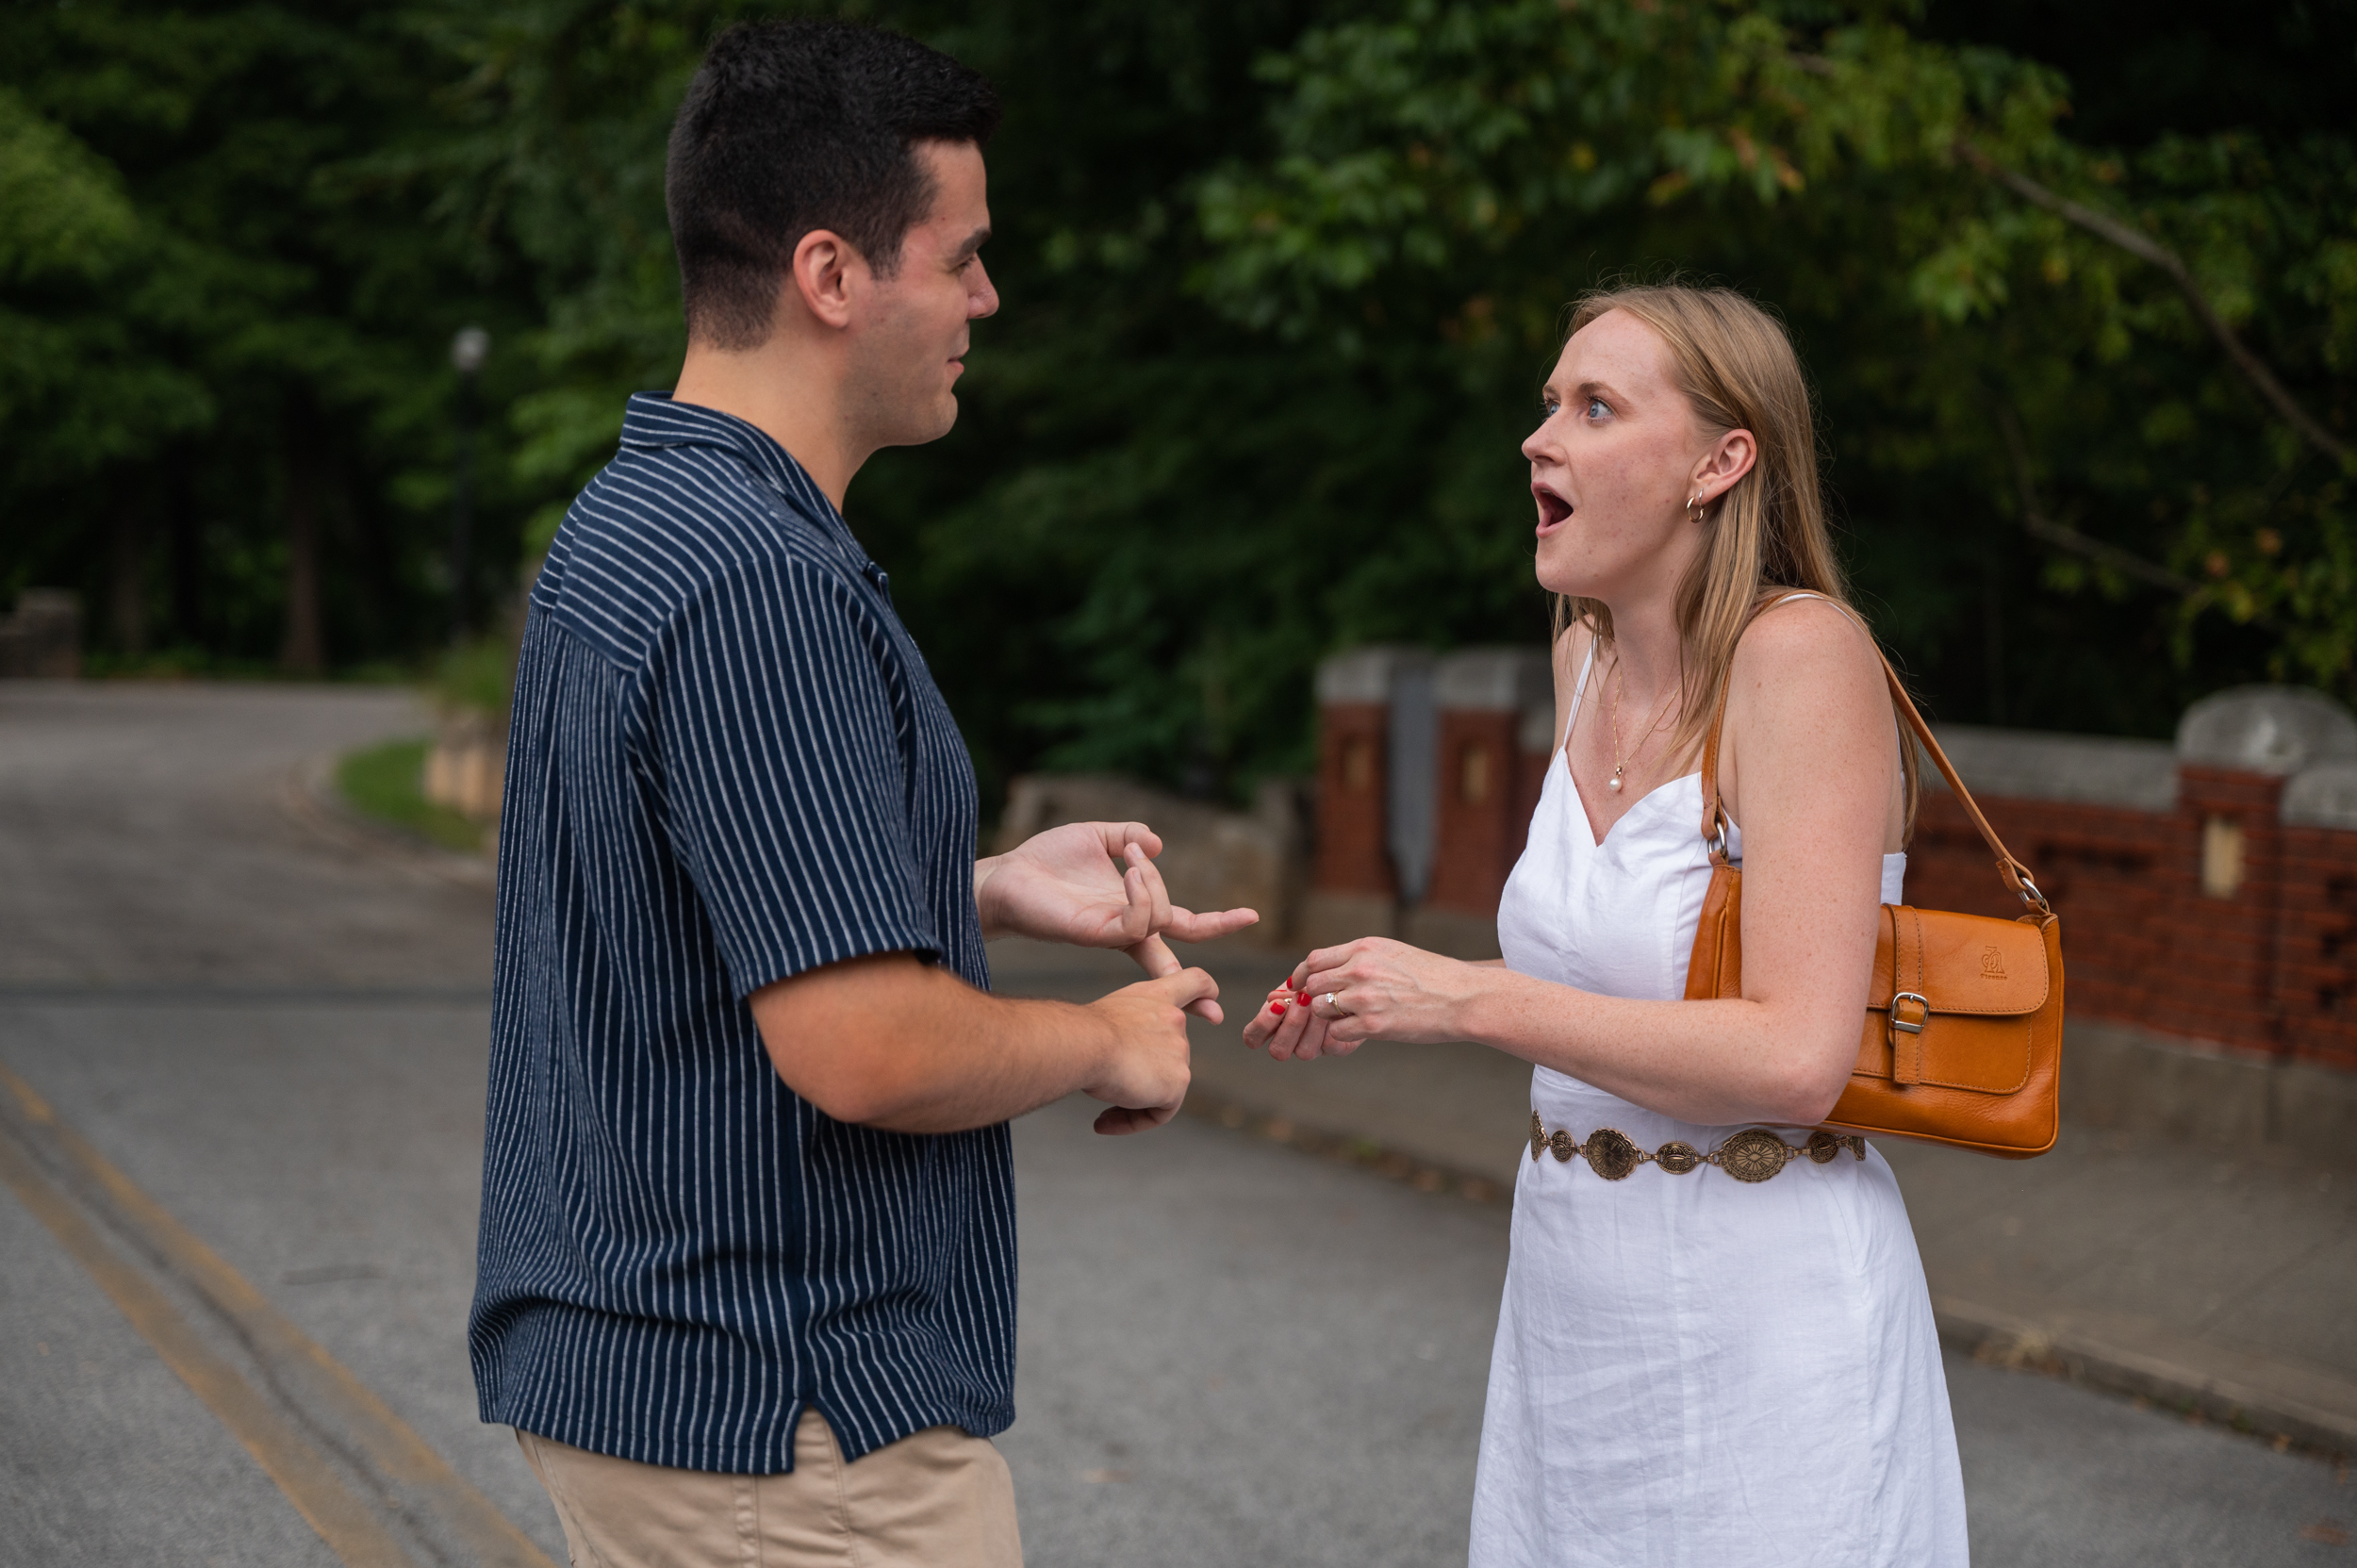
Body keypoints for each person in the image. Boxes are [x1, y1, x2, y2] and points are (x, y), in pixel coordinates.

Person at [469, 21, 1254, 1567]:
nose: (987, 299)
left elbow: (666, 893)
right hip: (787, 1427)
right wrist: (1109, 1038)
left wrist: (969, 885)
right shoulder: (760, 583)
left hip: (662, 1390)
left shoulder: (636, 521)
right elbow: (866, 1048)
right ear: (833, 276)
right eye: (959, 258)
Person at [1244, 284, 1968, 1565]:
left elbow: (1801, 1060)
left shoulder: (1800, 658)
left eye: (1595, 407)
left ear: (1720, 461)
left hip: (1765, 1318)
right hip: (1575, 1305)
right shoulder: (1583, 660)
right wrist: (1370, 995)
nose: (1541, 439)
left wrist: (1467, 1000)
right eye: (1546, 406)